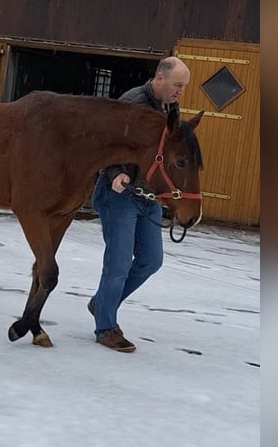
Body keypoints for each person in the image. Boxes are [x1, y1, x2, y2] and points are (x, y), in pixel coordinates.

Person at [88, 56, 191, 352]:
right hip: (119, 194)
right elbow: (106, 142)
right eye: (176, 85)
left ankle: (102, 304)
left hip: (149, 197)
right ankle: (106, 327)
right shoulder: (132, 102)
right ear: (159, 79)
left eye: (183, 87)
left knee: (151, 261)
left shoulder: (170, 106)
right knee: (118, 264)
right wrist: (114, 171)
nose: (179, 91)